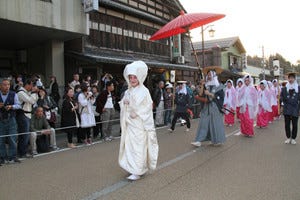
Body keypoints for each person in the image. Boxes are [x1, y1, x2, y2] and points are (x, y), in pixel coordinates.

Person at [119, 61, 159, 181]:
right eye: (130, 77)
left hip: (139, 124)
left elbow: (148, 106)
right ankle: (132, 168)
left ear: (139, 77)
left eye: (135, 77)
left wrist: (137, 112)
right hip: (130, 124)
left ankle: (138, 170)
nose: (132, 79)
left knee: (138, 147)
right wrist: (124, 104)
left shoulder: (144, 91)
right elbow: (123, 103)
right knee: (130, 147)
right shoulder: (128, 91)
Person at [191, 69, 226, 147]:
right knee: (203, 122)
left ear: (213, 75)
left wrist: (210, 94)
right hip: (206, 107)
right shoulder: (206, 85)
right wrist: (202, 85)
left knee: (215, 124)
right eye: (208, 74)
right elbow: (200, 94)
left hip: (215, 107)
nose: (209, 76)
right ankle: (198, 140)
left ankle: (215, 139)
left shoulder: (219, 86)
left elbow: (220, 97)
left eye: (210, 74)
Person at [0, 78, 22, 164]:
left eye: (8, 85)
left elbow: (19, 105)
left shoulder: (14, 94)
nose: (7, 86)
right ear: (0, 86)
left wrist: (11, 106)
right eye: (5, 85)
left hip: (11, 119)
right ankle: (2, 157)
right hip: (1, 120)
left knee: (12, 138)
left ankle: (12, 157)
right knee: (0, 140)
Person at [16, 79, 39, 158]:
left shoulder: (27, 93)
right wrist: (33, 92)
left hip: (27, 115)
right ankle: (22, 152)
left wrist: (34, 93)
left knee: (25, 134)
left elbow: (35, 99)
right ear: (27, 85)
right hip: (22, 115)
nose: (32, 87)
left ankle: (22, 151)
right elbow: (32, 100)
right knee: (24, 135)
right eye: (31, 85)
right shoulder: (21, 93)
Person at [280, 72, 300, 144]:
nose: (291, 79)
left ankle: (293, 138)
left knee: (295, 124)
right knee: (287, 124)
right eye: (289, 78)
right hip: (287, 108)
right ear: (288, 79)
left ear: (294, 79)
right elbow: (282, 97)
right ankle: (288, 137)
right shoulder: (284, 88)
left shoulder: (298, 88)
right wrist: (282, 106)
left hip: (295, 108)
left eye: (292, 78)